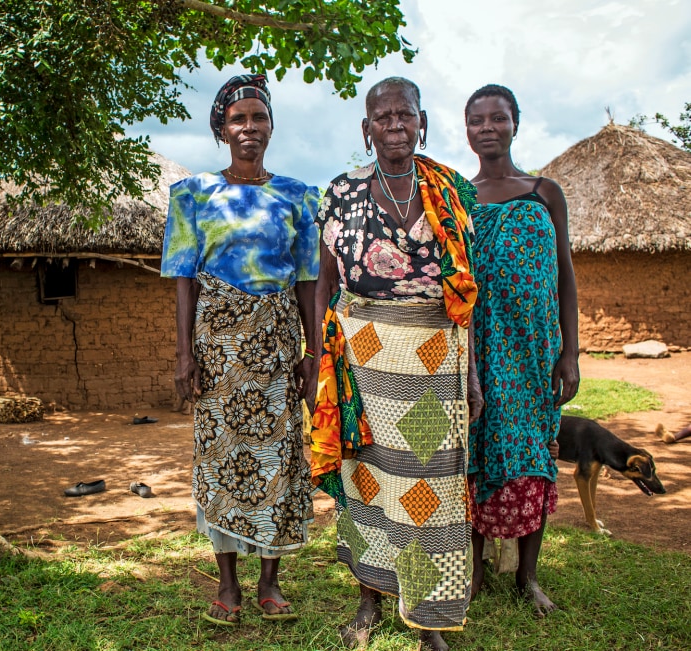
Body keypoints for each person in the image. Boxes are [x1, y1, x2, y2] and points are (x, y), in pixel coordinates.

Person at [310, 77, 481, 651]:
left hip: (434, 365)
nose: (394, 125)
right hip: (363, 364)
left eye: (404, 115)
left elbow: (465, 292)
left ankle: (428, 614)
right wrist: (318, 362)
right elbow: (324, 284)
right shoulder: (340, 193)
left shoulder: (452, 190)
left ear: (422, 121)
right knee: (366, 480)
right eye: (382, 117)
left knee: (425, 488)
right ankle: (369, 595)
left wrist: (473, 374)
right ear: (366, 129)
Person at [161, 74, 319, 626]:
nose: (249, 128)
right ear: (221, 129)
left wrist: (313, 353)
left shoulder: (299, 196)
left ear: (271, 125)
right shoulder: (193, 195)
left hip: (276, 346)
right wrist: (185, 354)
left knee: (276, 457)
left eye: (259, 117)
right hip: (217, 350)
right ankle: (227, 586)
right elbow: (183, 278)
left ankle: (270, 584)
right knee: (220, 457)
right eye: (238, 119)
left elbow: (307, 281)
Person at [463, 84, 580, 616]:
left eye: (498, 118)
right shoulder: (459, 200)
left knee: (533, 455)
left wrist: (570, 353)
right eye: (477, 120)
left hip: (533, 349)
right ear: (466, 131)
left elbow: (566, 280)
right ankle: (476, 570)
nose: (488, 127)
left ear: (516, 123)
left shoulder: (543, 192)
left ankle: (528, 577)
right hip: (477, 351)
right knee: (476, 454)